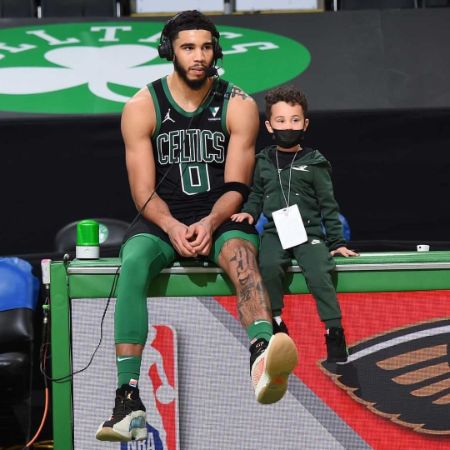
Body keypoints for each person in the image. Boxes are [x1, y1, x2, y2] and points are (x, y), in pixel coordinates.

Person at [96, 11, 298, 443]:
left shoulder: (239, 104)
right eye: (188, 47)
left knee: (243, 256)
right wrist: (171, 225)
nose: (199, 56)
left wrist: (209, 221)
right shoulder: (141, 106)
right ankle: (127, 399)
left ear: (216, 50)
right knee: (131, 260)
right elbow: (143, 192)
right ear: (170, 50)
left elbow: (238, 185)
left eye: (207, 47)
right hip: (162, 218)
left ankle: (263, 355)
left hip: (218, 215)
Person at [231, 85, 358, 365]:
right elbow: (257, 193)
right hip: (275, 232)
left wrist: (337, 243)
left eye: (295, 120)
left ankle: (333, 330)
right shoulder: (263, 160)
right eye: (281, 121)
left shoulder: (315, 161)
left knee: (319, 272)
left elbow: (329, 204)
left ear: (305, 124)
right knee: (268, 265)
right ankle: (276, 324)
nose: (288, 126)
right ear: (269, 125)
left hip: (309, 234)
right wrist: (249, 213)